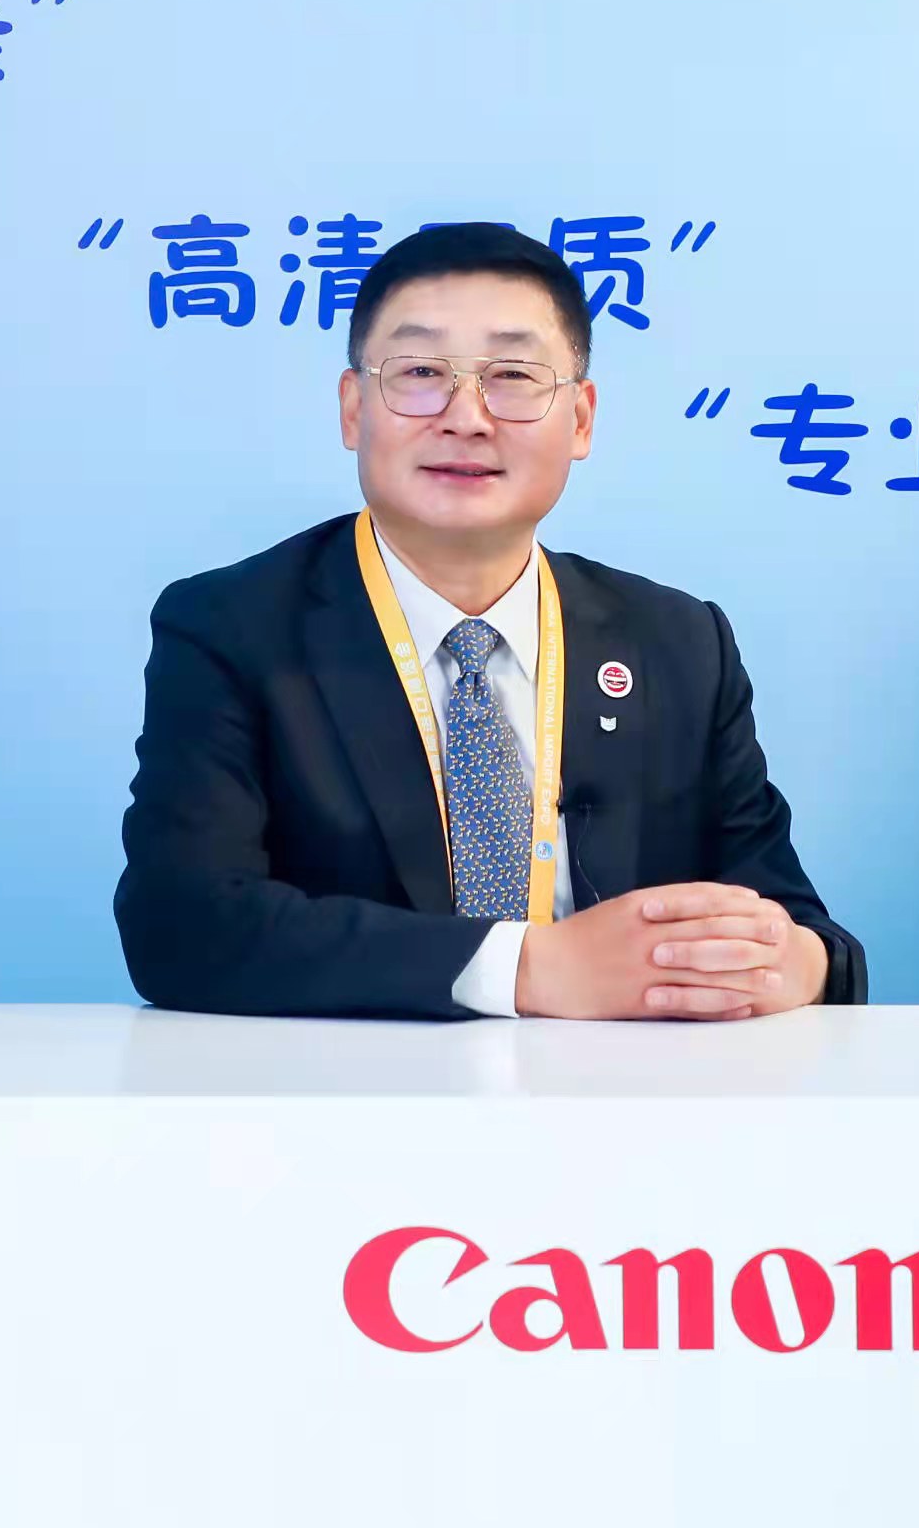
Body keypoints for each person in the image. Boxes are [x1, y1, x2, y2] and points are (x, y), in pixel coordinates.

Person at [115, 223, 865, 1020]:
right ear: (352, 409)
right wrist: (528, 969)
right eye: (420, 372)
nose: (466, 417)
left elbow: (791, 920)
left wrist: (796, 962)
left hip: (628, 1092)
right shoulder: (231, 628)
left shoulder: (678, 642)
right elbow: (180, 923)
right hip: (341, 1088)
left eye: (512, 375)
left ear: (580, 418)